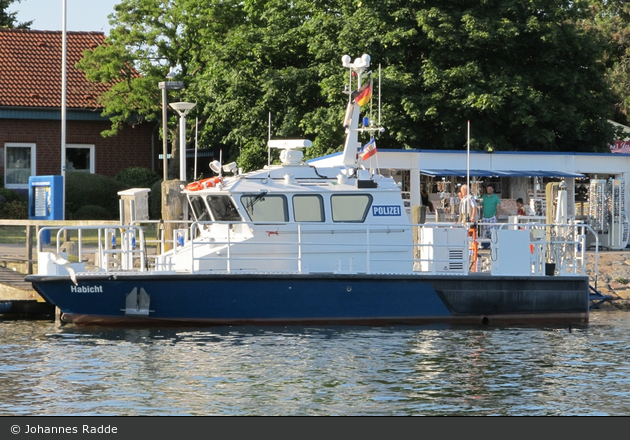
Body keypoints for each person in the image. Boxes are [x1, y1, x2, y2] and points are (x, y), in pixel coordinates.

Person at [478, 184, 501, 248]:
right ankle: (486, 246)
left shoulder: (496, 197)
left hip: (492, 217)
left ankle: (494, 245)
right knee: (486, 232)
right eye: (488, 189)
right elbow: (479, 204)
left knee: (493, 232)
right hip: (485, 217)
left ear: (493, 190)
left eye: (490, 189)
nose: (489, 190)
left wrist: (496, 216)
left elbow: (499, 207)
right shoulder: (484, 197)